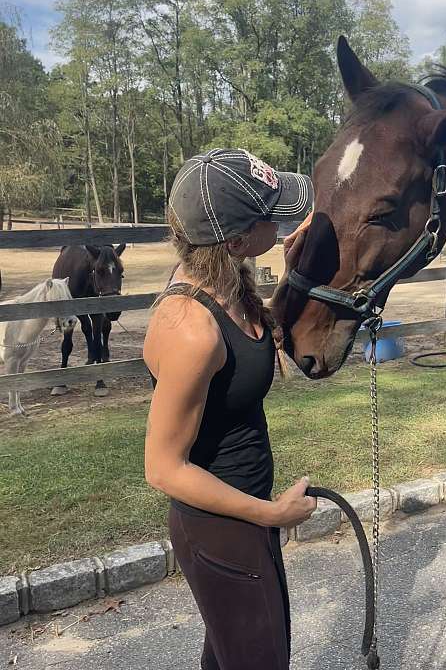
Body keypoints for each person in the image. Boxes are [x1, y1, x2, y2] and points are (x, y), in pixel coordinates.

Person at [143, 148, 315, 670]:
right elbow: (162, 468)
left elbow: (262, 341)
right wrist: (270, 515)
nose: (283, 223)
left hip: (244, 515)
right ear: (237, 240)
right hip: (220, 526)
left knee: (230, 658)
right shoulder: (190, 329)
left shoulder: (228, 281)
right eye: (272, 216)